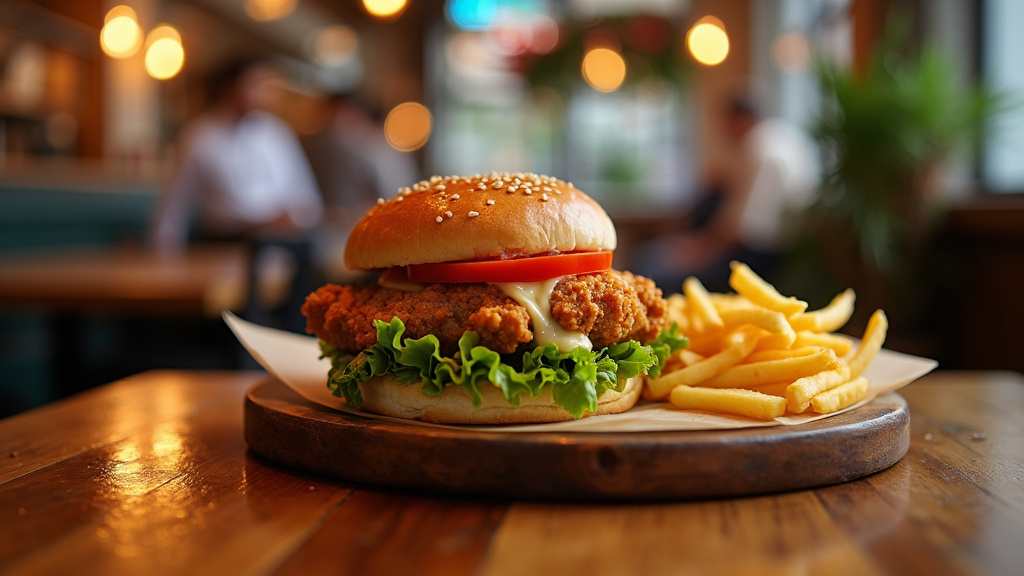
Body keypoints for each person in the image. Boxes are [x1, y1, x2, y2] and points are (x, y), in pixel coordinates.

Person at [637, 94, 821, 293]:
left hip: (758, 256)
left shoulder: (763, 151)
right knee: (652, 255)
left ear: (741, 119)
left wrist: (693, 252)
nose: (725, 132)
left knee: (653, 268)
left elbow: (741, 230)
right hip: (765, 247)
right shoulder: (778, 137)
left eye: (727, 124)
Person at [151, 59, 323, 252]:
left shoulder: (277, 133)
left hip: (281, 242)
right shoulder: (199, 137)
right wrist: (164, 253)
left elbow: (305, 193)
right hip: (224, 245)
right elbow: (175, 204)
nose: (266, 94)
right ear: (229, 88)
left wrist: (297, 217)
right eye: (257, 85)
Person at [301, 93, 419, 280]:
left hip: (365, 240)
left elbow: (399, 201)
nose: (331, 124)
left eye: (337, 115)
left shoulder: (377, 148)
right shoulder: (322, 146)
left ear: (356, 114)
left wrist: (355, 215)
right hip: (329, 240)